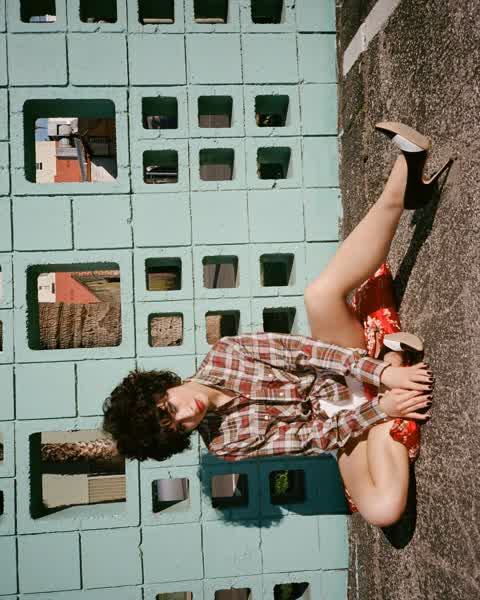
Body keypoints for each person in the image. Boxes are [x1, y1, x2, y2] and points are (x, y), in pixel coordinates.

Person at [103, 122, 453, 527]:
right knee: (382, 511)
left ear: (160, 387)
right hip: (340, 426)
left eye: (170, 407)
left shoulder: (226, 354)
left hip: (342, 366)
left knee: (318, 296)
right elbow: (311, 439)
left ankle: (405, 178)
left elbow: (306, 353)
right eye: (177, 427)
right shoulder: (224, 444)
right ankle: (393, 358)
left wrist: (379, 375)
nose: (186, 415)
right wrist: (380, 407)